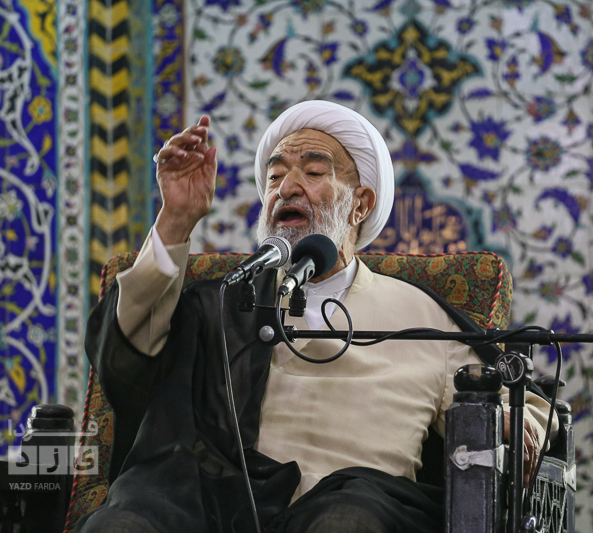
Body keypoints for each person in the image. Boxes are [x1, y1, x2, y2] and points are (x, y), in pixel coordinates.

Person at [78, 100, 557, 533]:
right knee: (123, 524)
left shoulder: (420, 313)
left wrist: (518, 423)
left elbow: (521, 404)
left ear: (360, 205)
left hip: (358, 508)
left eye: (312, 172)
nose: (287, 187)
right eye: (275, 177)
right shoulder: (224, 300)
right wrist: (176, 219)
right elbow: (129, 350)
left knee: (344, 522)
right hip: (213, 508)